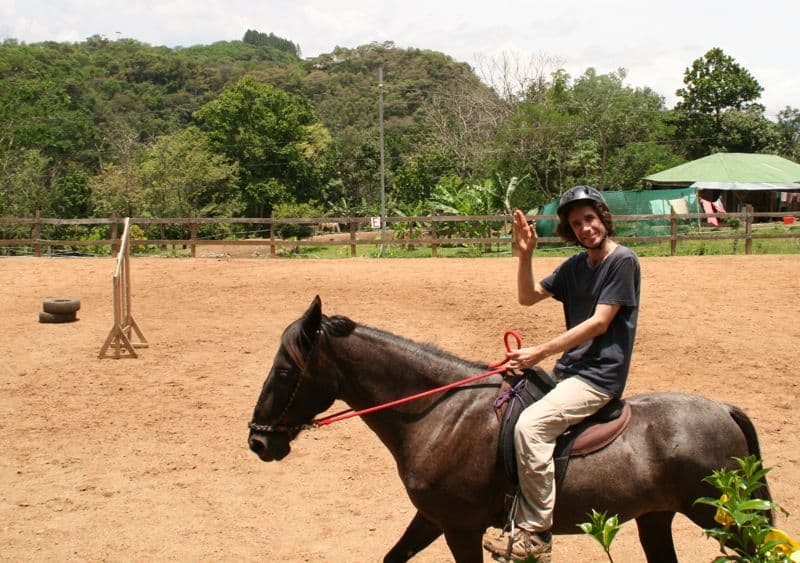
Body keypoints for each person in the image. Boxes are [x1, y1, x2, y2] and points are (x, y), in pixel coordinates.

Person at [483, 185, 641, 562]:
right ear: (570, 231)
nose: (586, 227)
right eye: (577, 223)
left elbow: (600, 323)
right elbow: (527, 297)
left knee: (532, 426)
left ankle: (536, 533)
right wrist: (525, 256)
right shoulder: (574, 266)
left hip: (599, 377)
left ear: (602, 217)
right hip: (568, 371)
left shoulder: (623, 261)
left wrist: (539, 352)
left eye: (590, 218)